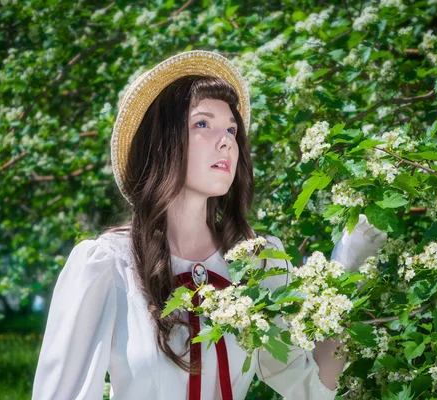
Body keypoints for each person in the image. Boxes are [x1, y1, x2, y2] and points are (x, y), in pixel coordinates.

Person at [32, 50, 387, 400]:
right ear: (162, 141)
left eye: (232, 129)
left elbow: (311, 388)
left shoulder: (258, 264)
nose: (227, 141)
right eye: (203, 123)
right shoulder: (108, 266)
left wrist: (349, 266)